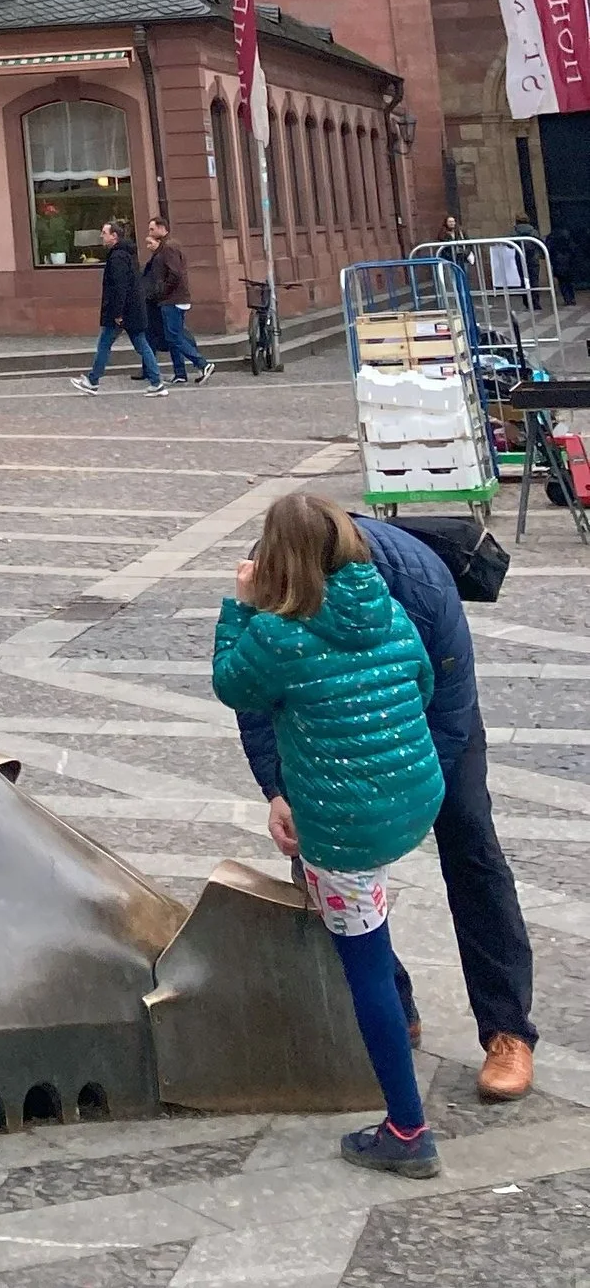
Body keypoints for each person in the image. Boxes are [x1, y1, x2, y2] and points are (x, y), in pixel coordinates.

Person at [233, 506, 535, 1104]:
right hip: (324, 719)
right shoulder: (276, 570)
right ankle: (391, 1008)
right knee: (312, 841)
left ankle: (507, 1031)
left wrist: (412, 789)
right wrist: (278, 789)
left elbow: (446, 702)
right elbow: (254, 695)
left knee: (470, 840)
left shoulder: (421, 586)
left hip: (428, 721)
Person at [211, 492, 446, 1175]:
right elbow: (425, 684)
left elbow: (232, 684)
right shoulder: (388, 607)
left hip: (346, 827)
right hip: (411, 798)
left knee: (364, 962)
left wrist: (238, 604)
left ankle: (407, 1129)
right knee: (366, 909)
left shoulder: (281, 634)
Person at [71, 218, 162, 392]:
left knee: (105, 344)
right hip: (132, 309)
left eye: (104, 233)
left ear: (114, 236)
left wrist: (118, 313)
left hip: (122, 312)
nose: (101, 236)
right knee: (141, 345)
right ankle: (157, 382)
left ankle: (93, 380)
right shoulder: (125, 253)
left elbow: (120, 287)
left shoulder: (118, 256)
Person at [141, 221, 212, 387]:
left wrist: (162, 291)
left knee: (174, 336)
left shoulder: (169, 248)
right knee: (173, 336)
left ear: (162, 229)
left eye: (152, 229)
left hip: (173, 299)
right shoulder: (165, 247)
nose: (150, 232)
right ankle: (180, 373)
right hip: (170, 299)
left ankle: (203, 364)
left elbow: (174, 273)